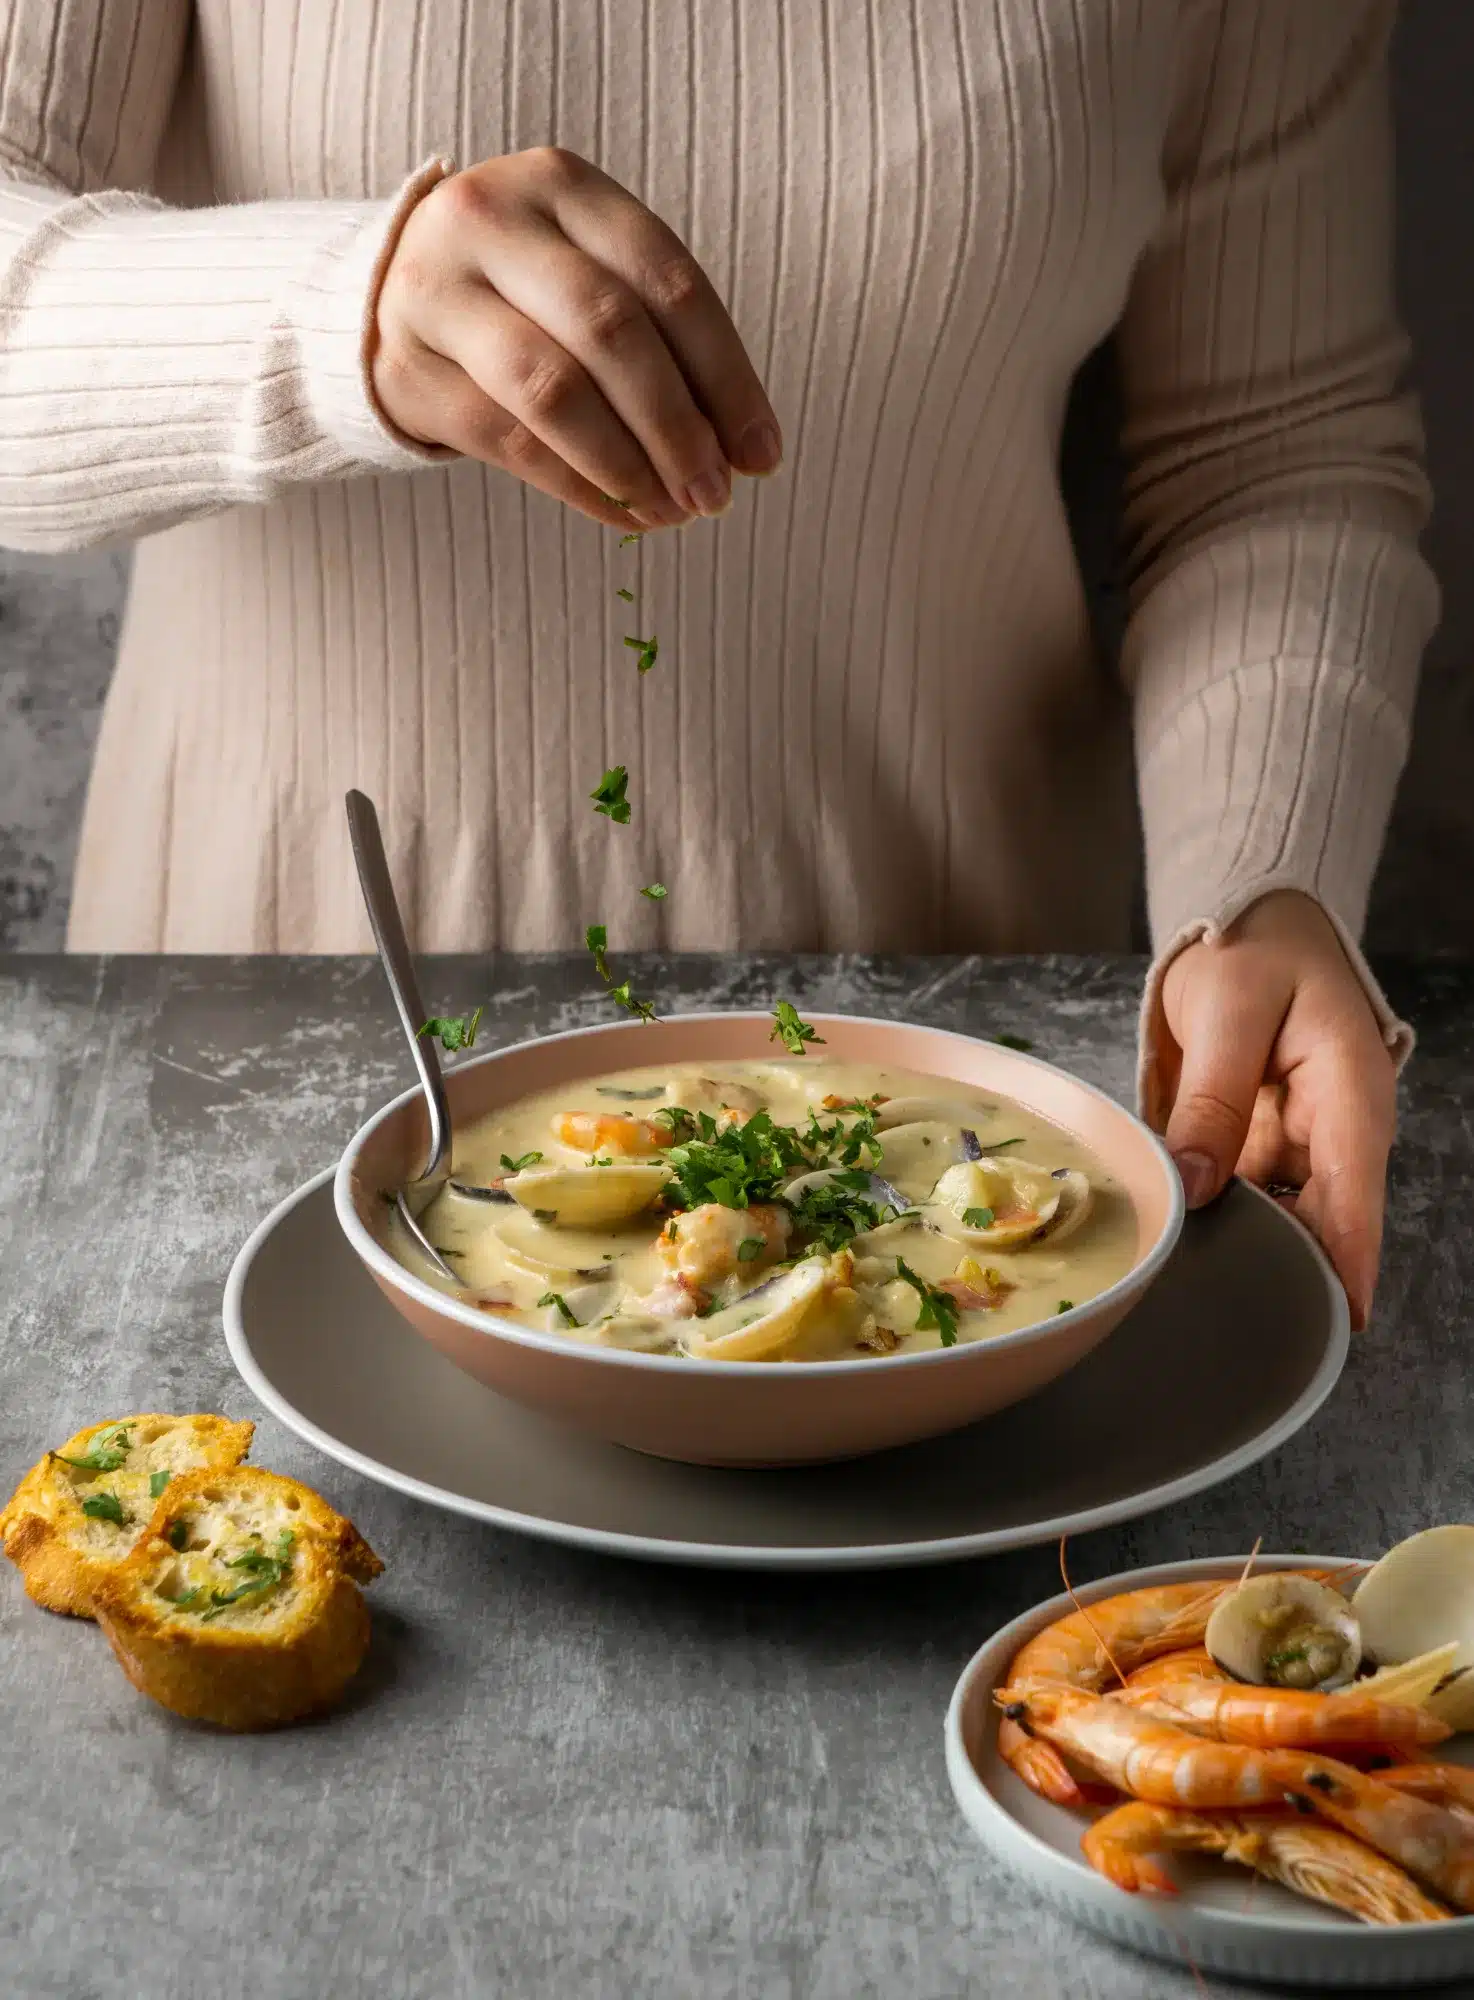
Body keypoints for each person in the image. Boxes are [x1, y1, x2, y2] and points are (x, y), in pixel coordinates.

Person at [0, 1, 1437, 1330]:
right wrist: (337, 319)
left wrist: (1263, 870)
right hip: (270, 1032)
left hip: (970, 1071)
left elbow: (1272, 451)